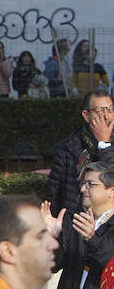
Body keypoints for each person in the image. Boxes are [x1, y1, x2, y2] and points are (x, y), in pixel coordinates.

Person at [45, 162, 114, 289]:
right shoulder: (75, 218)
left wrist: (92, 239)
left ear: (111, 191)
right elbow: (53, 266)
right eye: (83, 183)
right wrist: (52, 238)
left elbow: (110, 266)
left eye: (90, 184)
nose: (83, 189)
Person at [46, 89, 114, 218]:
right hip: (75, 222)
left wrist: (104, 144)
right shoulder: (69, 148)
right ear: (86, 115)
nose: (106, 115)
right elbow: (54, 192)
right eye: (99, 110)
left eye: (110, 109)